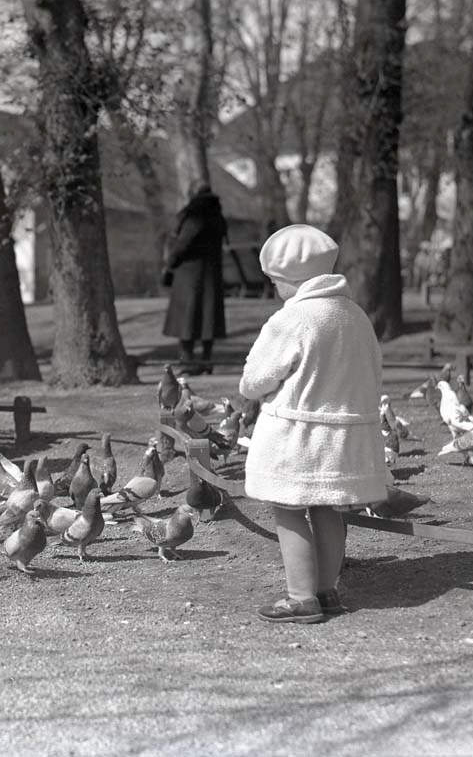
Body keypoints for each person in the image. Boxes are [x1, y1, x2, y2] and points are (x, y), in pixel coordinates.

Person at [238, 224, 389, 624]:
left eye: (276, 282)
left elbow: (254, 381)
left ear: (293, 279)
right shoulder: (354, 316)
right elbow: (374, 373)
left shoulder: (293, 320)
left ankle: (300, 597)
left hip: (296, 437)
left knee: (288, 509)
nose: (275, 290)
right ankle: (328, 590)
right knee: (327, 509)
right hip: (341, 436)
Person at [162, 181, 228, 375]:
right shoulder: (217, 216)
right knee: (208, 318)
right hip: (211, 273)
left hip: (189, 274)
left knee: (187, 318)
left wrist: (171, 262)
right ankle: (207, 360)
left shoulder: (194, 215)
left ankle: (188, 361)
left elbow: (182, 243)